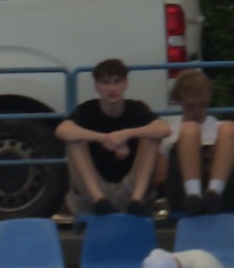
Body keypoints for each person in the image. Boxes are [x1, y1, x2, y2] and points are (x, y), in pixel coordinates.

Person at [57, 58, 167, 217]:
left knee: (151, 137)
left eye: (117, 81)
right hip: (93, 191)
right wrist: (104, 138)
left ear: (125, 84)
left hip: (130, 188)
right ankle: (99, 201)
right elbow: (62, 130)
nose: (112, 88)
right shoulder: (87, 110)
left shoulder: (136, 108)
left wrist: (126, 134)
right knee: (74, 139)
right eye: (105, 82)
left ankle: (137, 202)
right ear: (97, 87)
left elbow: (164, 129)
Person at [163, 70, 234, 217]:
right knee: (190, 130)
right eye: (191, 106)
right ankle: (194, 195)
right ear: (180, 101)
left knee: (230, 127)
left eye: (202, 105)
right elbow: (160, 176)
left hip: (224, 195)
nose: (196, 111)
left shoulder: (222, 129)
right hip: (183, 195)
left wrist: (219, 158)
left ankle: (214, 192)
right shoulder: (170, 132)